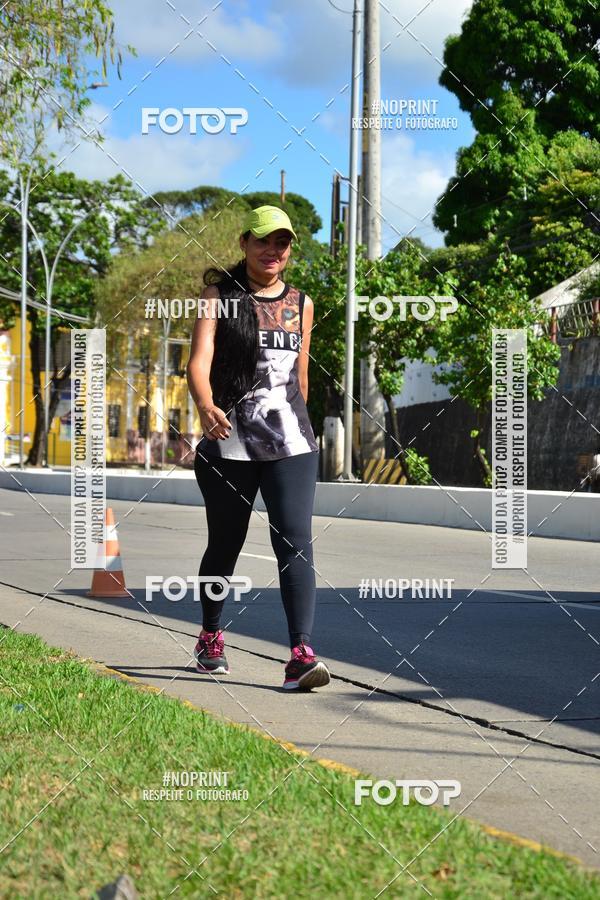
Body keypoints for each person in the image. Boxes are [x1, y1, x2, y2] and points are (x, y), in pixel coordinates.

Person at [186, 205, 330, 691]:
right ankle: (210, 635)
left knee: (295, 541)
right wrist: (206, 407)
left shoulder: (301, 303)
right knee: (226, 542)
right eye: (265, 240)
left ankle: (301, 655)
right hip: (230, 439)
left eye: (283, 243)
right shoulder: (218, 297)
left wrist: (300, 430)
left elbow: (300, 376)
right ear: (245, 242)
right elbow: (198, 363)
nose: (274, 250)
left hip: (291, 439)